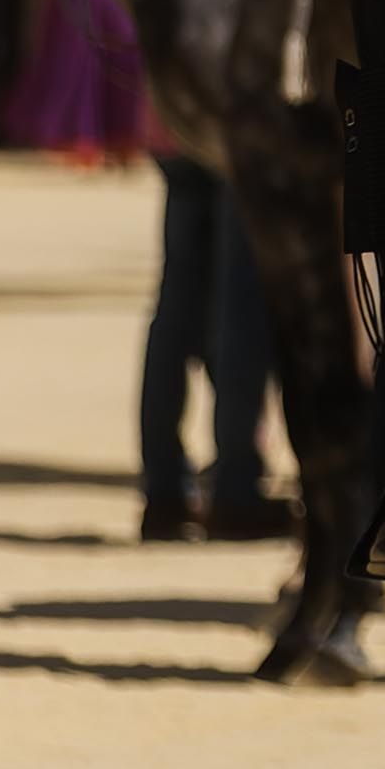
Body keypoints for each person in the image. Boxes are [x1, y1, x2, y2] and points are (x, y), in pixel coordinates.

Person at [135, 152, 281, 542]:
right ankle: (237, 487)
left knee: (178, 295)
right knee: (240, 294)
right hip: (241, 119)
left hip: (179, 122)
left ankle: (164, 491)